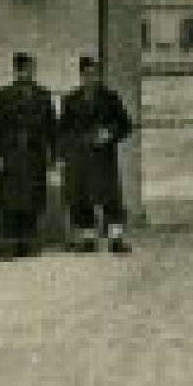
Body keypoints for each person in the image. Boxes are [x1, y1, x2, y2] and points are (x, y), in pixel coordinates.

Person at [59, 54, 136, 254]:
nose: (90, 78)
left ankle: (116, 238)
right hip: (80, 157)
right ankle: (88, 238)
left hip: (103, 156)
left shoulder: (110, 98)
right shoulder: (70, 100)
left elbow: (126, 124)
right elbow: (63, 130)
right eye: (87, 74)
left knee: (110, 197)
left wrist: (109, 133)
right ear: (81, 76)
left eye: (94, 74)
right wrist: (65, 153)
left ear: (99, 75)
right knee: (82, 197)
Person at [0, 51, 59, 257]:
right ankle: (9, 241)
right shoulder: (3, 95)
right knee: (8, 199)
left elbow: (52, 128)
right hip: (9, 153)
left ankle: (28, 239)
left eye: (28, 69)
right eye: (21, 69)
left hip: (34, 153)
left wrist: (54, 156)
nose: (25, 73)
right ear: (15, 71)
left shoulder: (43, 96)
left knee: (32, 197)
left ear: (33, 71)